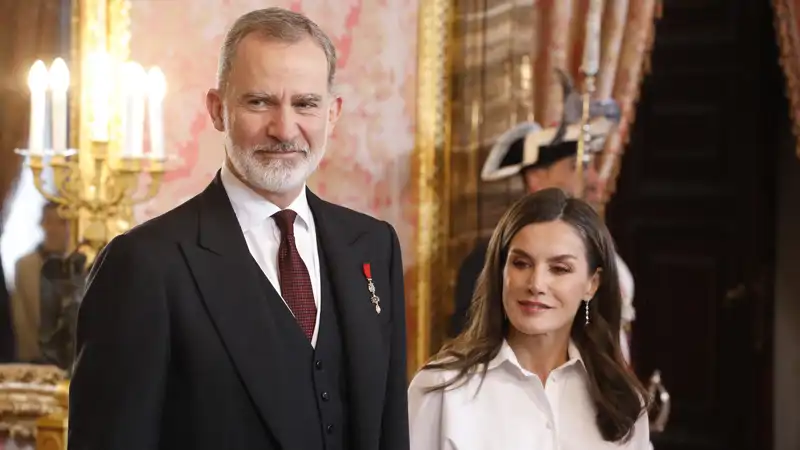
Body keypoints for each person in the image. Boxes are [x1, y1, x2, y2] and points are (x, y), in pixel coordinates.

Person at [68, 8, 409, 450]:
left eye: (305, 103)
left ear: (333, 113)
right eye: (259, 101)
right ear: (217, 109)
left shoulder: (374, 247)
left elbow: (388, 432)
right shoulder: (147, 263)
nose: (284, 129)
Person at [409, 188, 650, 449]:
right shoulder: (442, 387)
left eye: (559, 269)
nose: (536, 283)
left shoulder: (622, 401)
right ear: (501, 270)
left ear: (592, 284)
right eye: (521, 263)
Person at [449, 75, 637, 361]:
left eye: (560, 268)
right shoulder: (486, 259)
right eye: (579, 166)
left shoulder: (598, 250)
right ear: (537, 177)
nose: (595, 180)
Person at [10, 201, 70, 362]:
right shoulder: (24, 266)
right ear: (42, 224)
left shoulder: (79, 265)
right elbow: (21, 319)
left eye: (62, 223)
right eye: (50, 221)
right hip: (32, 359)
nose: (55, 229)